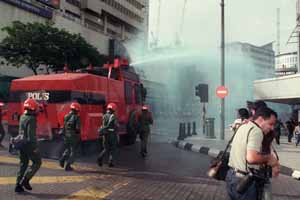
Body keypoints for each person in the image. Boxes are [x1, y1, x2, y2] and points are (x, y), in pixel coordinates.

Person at [226, 107, 280, 200]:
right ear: (260, 119)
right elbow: (251, 158)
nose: (272, 128)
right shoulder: (256, 131)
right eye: (270, 124)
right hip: (245, 181)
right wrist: (269, 158)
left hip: (232, 177)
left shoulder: (243, 126)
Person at [15, 98, 42, 193]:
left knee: (23, 164)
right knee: (37, 162)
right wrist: (35, 147)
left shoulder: (22, 116)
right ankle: (25, 180)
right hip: (29, 144)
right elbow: (31, 136)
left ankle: (18, 185)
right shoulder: (32, 119)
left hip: (20, 143)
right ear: (33, 108)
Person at [59, 102, 81, 171]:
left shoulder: (66, 116)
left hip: (66, 135)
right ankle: (68, 165)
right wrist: (77, 135)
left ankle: (62, 159)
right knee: (73, 151)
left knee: (67, 149)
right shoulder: (77, 117)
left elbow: (64, 126)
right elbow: (77, 128)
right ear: (77, 110)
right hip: (73, 135)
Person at [97, 103, 118, 167]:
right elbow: (115, 126)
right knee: (113, 148)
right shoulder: (113, 116)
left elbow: (103, 125)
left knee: (106, 149)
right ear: (114, 109)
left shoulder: (104, 116)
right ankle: (110, 162)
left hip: (105, 134)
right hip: (112, 135)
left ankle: (99, 158)